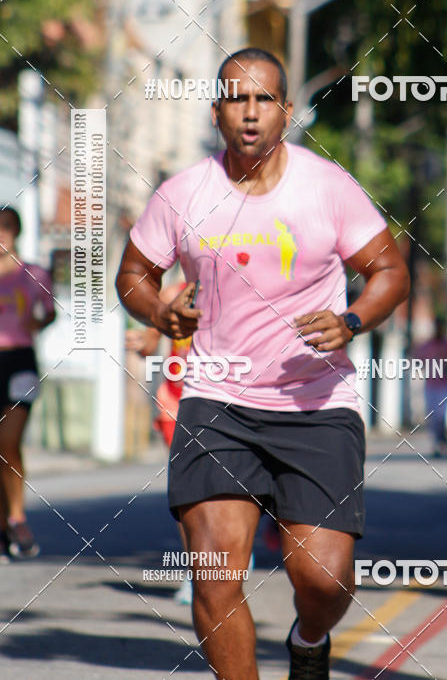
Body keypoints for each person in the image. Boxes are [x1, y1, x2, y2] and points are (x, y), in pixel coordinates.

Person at [116, 47, 410, 680]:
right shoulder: (183, 194)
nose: (250, 114)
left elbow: (390, 270)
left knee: (324, 580)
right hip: (216, 401)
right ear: (218, 111)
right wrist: (160, 316)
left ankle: (309, 641)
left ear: (286, 111)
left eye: (263, 101)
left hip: (316, 404)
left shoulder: (328, 186)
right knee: (217, 572)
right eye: (236, 99)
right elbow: (135, 274)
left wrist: (353, 319)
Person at [125, 281, 193, 604]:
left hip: (229, 398)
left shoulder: (248, 286)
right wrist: (142, 343)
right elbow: (151, 343)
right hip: (176, 401)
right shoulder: (172, 294)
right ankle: (198, 569)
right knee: (188, 492)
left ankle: (236, 546)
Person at [0, 206, 55, 561]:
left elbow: (48, 311)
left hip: (20, 361)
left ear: (16, 232)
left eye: (6, 229)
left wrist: (39, 323)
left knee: (9, 442)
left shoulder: (32, 273)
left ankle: (16, 516)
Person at [412, 316, 447, 457]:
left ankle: (442, 439)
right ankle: (437, 442)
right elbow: (418, 360)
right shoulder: (427, 346)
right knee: (432, 416)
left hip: (443, 385)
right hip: (430, 385)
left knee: (440, 415)